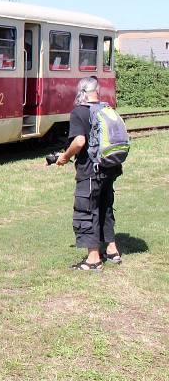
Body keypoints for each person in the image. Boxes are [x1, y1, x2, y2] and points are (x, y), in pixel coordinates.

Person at [56, 76, 122, 271]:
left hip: (90, 171)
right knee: (105, 207)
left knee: (87, 210)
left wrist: (65, 157)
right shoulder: (106, 109)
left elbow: (79, 142)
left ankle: (93, 259)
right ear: (97, 92)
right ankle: (112, 251)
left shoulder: (79, 112)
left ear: (82, 92)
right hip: (109, 168)